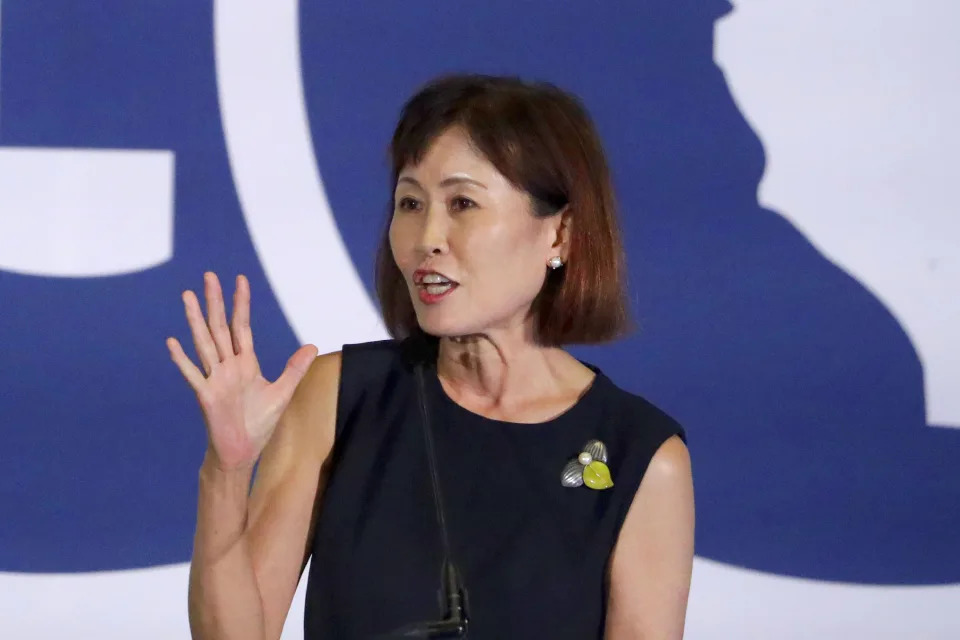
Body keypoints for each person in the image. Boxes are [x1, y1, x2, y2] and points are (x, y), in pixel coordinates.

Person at [167, 73, 694, 639]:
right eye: (410, 203)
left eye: (463, 203)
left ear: (560, 235)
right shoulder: (340, 397)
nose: (427, 237)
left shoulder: (640, 456)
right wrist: (227, 471)